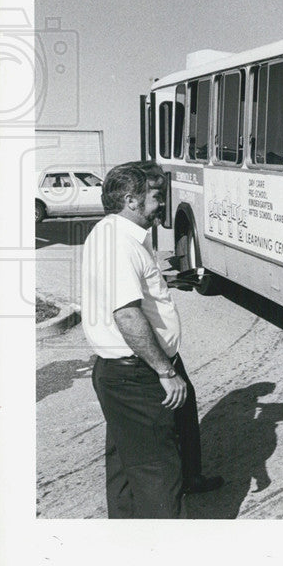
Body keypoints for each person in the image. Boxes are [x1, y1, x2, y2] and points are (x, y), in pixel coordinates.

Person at [81, 161, 222, 518]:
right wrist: (165, 370)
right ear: (131, 200)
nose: (162, 204)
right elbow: (126, 314)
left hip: (128, 371)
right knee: (158, 474)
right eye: (156, 197)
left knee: (128, 468)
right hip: (138, 374)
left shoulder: (115, 233)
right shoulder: (119, 244)